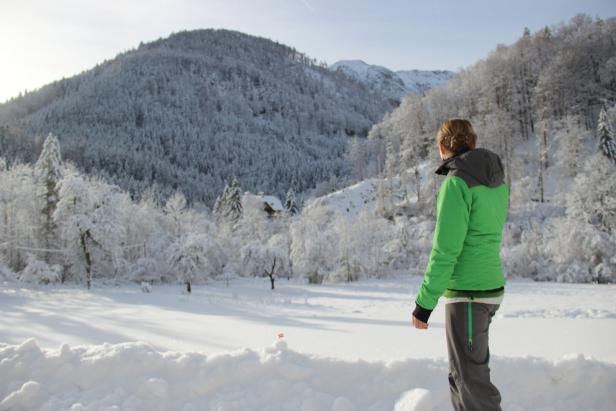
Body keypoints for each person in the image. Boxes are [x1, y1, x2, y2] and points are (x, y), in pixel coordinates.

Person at [410, 118, 508, 411]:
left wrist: (424, 303)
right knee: (463, 377)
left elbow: (446, 249)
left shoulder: (457, 183)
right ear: (472, 143)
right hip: (488, 287)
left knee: (471, 382)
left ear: (442, 147)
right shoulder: (496, 182)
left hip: (468, 292)